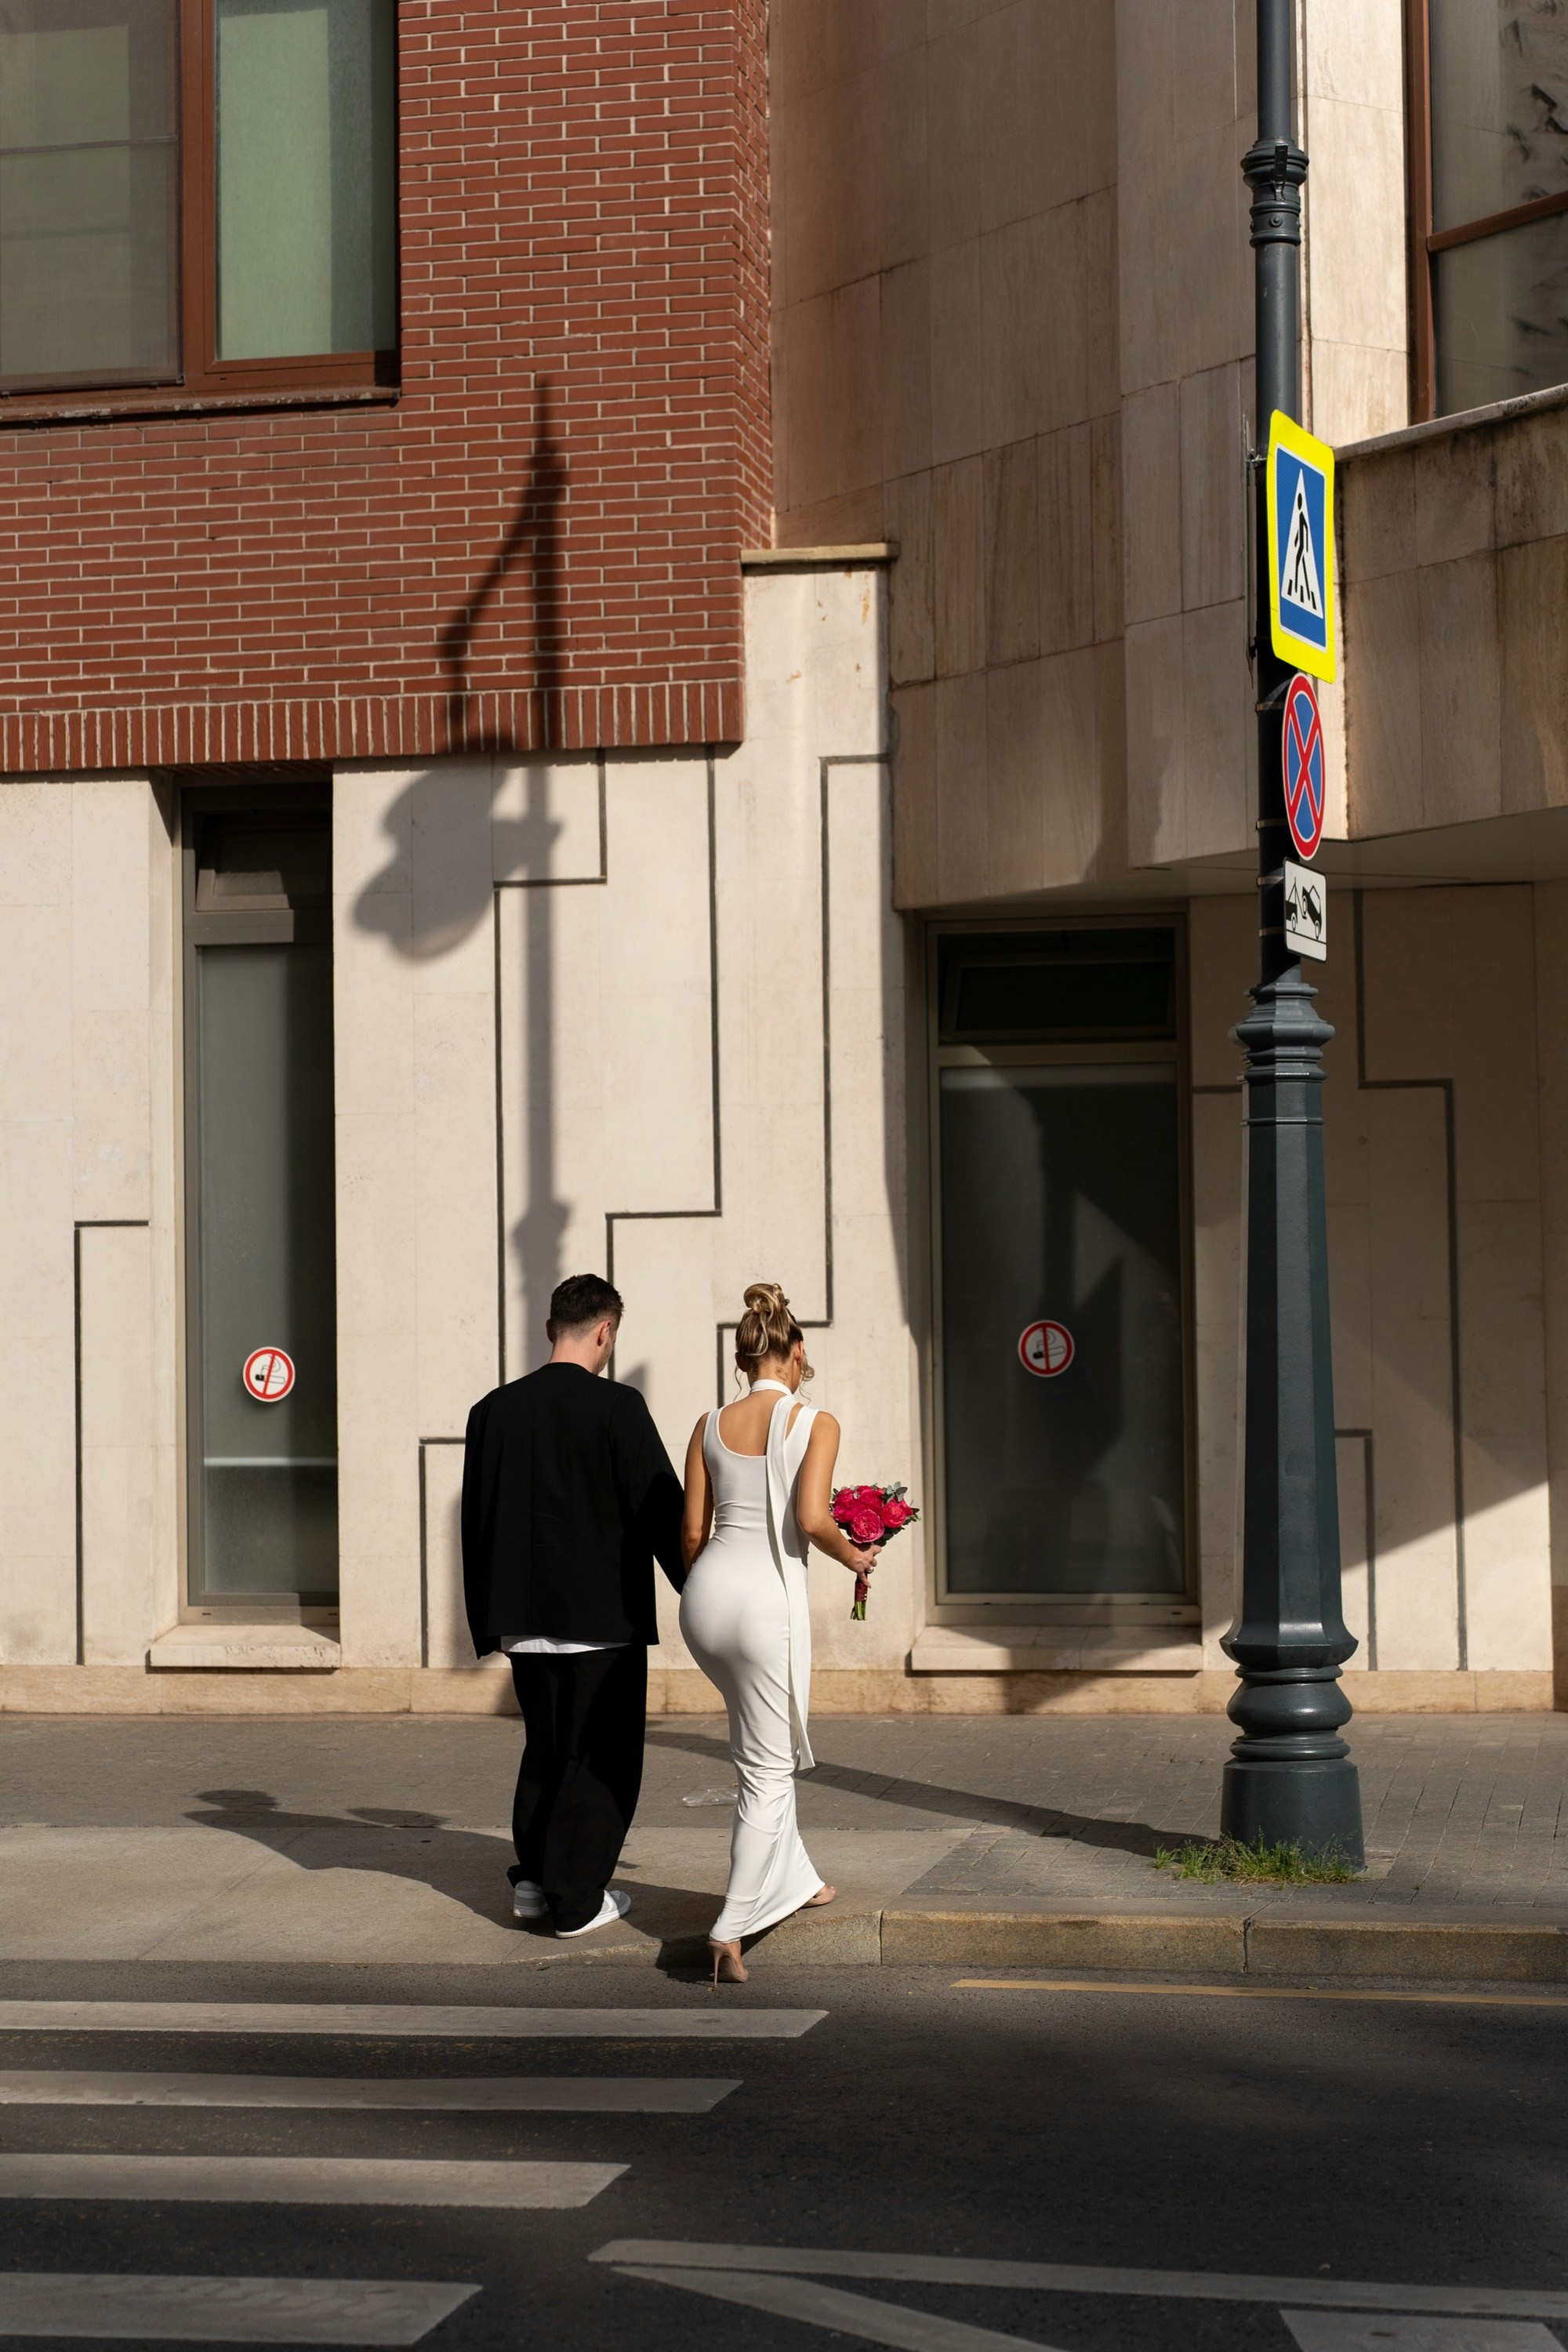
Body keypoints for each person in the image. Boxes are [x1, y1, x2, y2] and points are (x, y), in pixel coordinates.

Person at [461, 1273, 684, 1938]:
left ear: (550, 1328)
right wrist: (697, 1585)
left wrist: (488, 1619)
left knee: (547, 1748)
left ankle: (532, 1881)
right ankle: (576, 1899)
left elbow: (477, 1522)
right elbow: (659, 1510)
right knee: (598, 1759)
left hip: (522, 1622)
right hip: (600, 1619)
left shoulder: (492, 1411)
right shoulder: (619, 1407)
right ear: (605, 1331)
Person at [678, 1282, 880, 1985]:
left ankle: (798, 1881)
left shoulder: (706, 1423)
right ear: (794, 1353)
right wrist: (856, 1554)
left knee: (760, 1746)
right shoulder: (813, 1421)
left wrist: (708, 1588)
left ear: (743, 1359)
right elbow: (812, 1519)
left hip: (704, 1605)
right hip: (765, 1608)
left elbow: (691, 1534)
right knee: (768, 1766)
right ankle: (730, 1931)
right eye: (805, 1354)